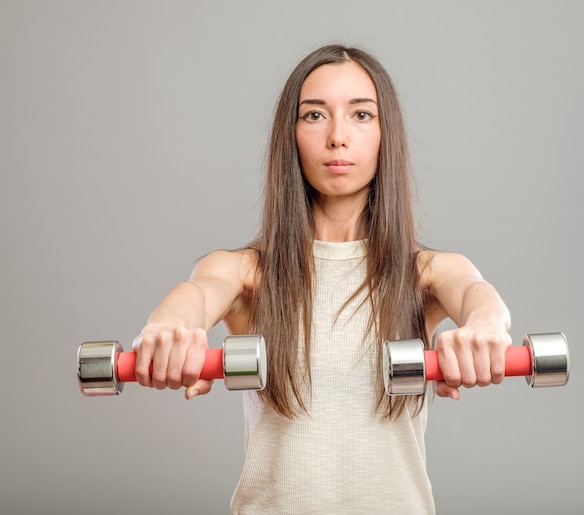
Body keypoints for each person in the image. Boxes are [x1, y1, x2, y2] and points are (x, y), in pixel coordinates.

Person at [132, 44, 512, 514]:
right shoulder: (246, 272)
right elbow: (195, 295)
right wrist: (166, 330)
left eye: (361, 115)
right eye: (314, 115)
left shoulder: (425, 272)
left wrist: (485, 330)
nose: (337, 137)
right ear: (289, 135)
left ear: (384, 135)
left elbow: (477, 295)